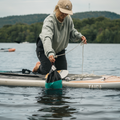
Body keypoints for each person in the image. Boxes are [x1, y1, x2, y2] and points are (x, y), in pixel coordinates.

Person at [32, 0, 87, 74]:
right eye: (62, 11)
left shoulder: (68, 19)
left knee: (63, 72)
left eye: (66, 13)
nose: (64, 14)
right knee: (48, 71)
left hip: (59, 49)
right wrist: (50, 53)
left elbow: (72, 31)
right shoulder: (49, 21)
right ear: (57, 8)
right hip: (45, 48)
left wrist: (80, 36)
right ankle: (38, 67)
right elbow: (47, 38)